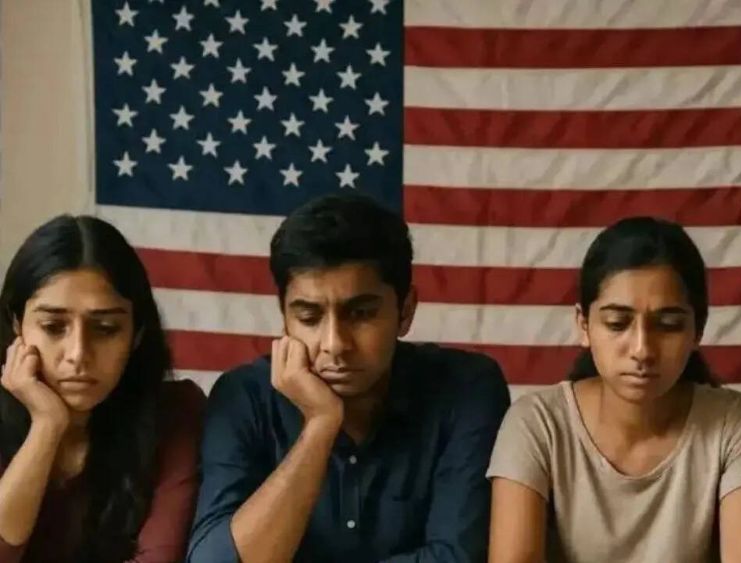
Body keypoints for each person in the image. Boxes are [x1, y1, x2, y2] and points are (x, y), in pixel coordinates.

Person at [187, 192, 511, 563]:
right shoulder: (243, 396)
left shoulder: (467, 388)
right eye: (309, 318)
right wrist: (320, 426)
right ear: (284, 318)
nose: (335, 344)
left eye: (360, 314)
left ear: (405, 311)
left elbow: (458, 558)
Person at [486, 217, 741, 563]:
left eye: (668, 325)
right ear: (583, 325)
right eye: (617, 324)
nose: (642, 349)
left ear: (698, 330)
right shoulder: (537, 424)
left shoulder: (735, 425)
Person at [0, 215, 205, 563]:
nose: (78, 353)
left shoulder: (175, 413)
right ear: (17, 325)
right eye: (53, 326)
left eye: (106, 328)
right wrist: (47, 427)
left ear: (137, 334)